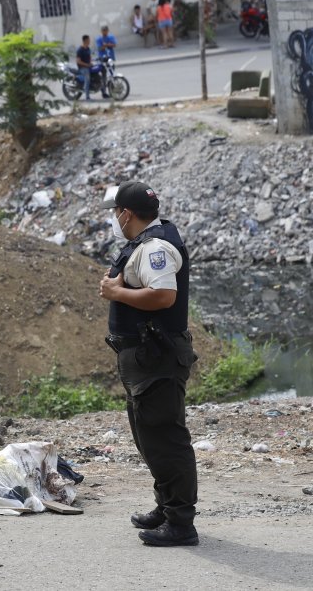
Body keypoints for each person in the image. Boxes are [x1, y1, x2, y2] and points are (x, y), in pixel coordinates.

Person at [98, 181, 199, 547]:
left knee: (166, 439)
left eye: (115, 212)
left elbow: (163, 295)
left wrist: (116, 292)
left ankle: (181, 523)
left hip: (156, 359)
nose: (114, 219)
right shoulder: (146, 242)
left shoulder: (155, 247)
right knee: (150, 438)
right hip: (145, 359)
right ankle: (166, 506)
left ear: (126, 213)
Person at [75, 34, 96, 99]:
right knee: (87, 77)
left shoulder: (88, 48)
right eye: (89, 40)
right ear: (85, 40)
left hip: (88, 66)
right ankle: (87, 95)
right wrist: (87, 65)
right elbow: (78, 61)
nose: (90, 41)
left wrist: (91, 63)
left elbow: (89, 57)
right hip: (82, 68)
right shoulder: (80, 50)